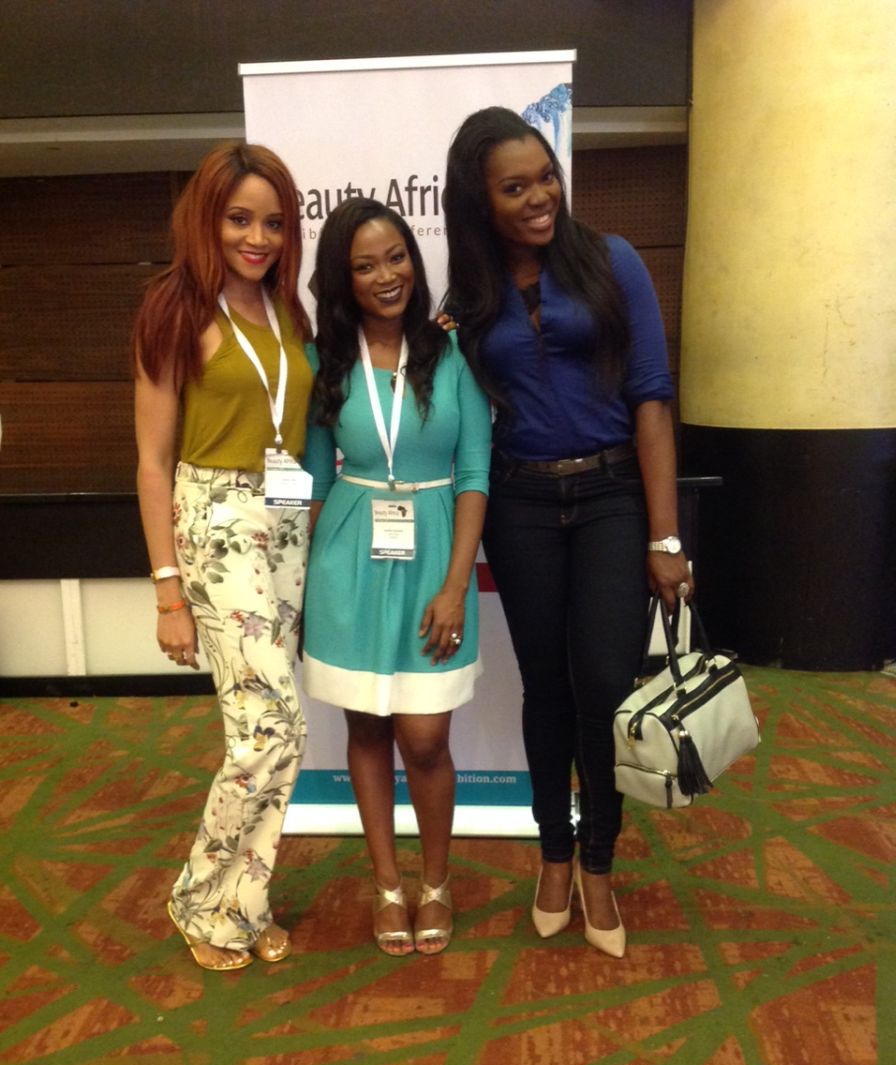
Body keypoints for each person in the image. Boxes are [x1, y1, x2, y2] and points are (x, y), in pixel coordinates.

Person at [443, 107, 693, 958]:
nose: (540, 196)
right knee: (545, 687)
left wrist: (665, 539)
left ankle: (598, 863)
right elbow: (456, 417)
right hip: (519, 504)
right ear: (480, 201)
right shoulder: (470, 299)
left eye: (545, 176)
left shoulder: (613, 261)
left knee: (605, 688)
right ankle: (553, 853)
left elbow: (651, 397)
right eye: (515, 187)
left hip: (613, 498)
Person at [133, 143, 314, 971]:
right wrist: (167, 592)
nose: (257, 238)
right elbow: (151, 462)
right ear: (207, 219)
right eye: (240, 219)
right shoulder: (174, 309)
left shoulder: (287, 309)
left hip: (286, 522)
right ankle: (199, 899)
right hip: (215, 519)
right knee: (269, 728)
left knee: (278, 732)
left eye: (273, 223)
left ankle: (241, 906)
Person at [301, 197, 491, 956]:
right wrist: (304, 584)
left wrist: (456, 585)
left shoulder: (452, 354)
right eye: (365, 265)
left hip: (435, 555)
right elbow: (317, 480)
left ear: (415, 258)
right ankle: (387, 886)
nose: (387, 275)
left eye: (397, 257)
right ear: (342, 279)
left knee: (425, 737)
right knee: (367, 728)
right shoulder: (325, 362)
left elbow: (474, 473)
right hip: (348, 560)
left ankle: (435, 882)